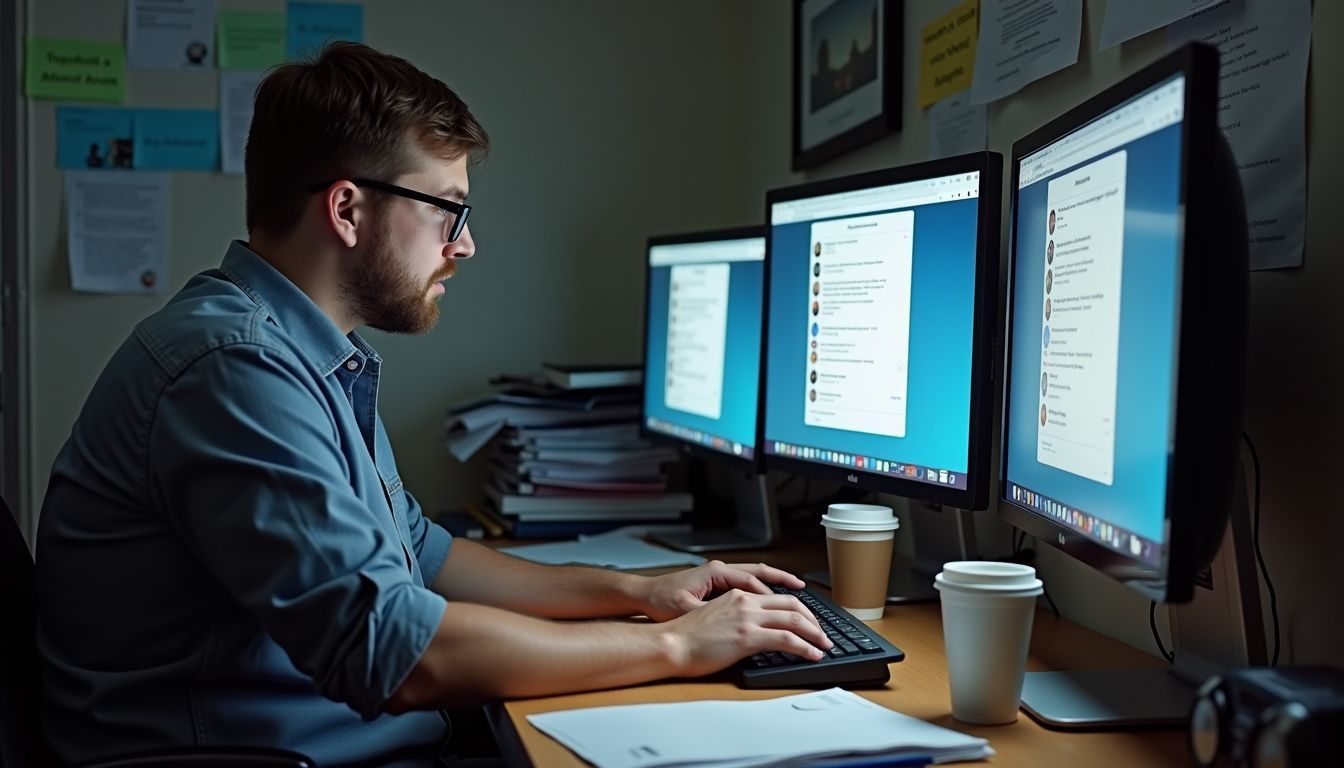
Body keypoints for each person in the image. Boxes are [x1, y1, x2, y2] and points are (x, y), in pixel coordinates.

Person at [34, 43, 830, 767]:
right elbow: (396, 651)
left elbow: (424, 556)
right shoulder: (235, 369)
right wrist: (682, 650)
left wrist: (642, 593)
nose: (465, 244)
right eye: (447, 209)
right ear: (347, 210)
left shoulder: (299, 352)